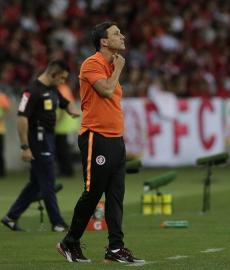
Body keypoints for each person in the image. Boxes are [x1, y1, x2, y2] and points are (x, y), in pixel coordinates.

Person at [57, 21, 144, 264]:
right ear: (104, 41)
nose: (122, 36)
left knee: (116, 195)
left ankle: (115, 249)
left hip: (116, 139)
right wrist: (118, 69)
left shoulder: (110, 64)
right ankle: (69, 243)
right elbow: (106, 90)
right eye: (117, 33)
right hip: (97, 137)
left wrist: (116, 68)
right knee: (92, 193)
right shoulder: (92, 63)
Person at [1, 60, 81, 232]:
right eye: (62, 78)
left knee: (36, 183)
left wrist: (73, 110)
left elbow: (66, 103)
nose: (63, 82)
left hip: (49, 137)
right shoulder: (31, 91)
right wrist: (25, 147)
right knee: (48, 180)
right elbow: (22, 118)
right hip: (38, 138)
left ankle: (11, 217)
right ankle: (57, 222)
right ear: (52, 74)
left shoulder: (52, 89)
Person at [55, 83, 80, 177]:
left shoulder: (62, 89)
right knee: (62, 149)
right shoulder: (64, 88)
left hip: (64, 125)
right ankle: (65, 170)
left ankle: (67, 171)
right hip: (64, 124)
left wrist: (58, 121)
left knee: (63, 149)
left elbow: (63, 107)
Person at [0, 90, 10, 177]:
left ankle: (2, 173)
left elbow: (7, 110)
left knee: (0, 152)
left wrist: (2, 119)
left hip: (0, 130)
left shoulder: (2, 96)